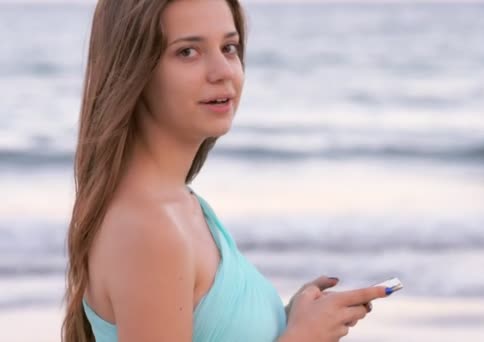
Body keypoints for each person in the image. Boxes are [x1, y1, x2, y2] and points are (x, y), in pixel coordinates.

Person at [61, 1, 391, 341]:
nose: (222, 71)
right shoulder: (150, 228)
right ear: (134, 69)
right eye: (188, 51)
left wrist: (284, 321)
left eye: (229, 48)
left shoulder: (184, 204)